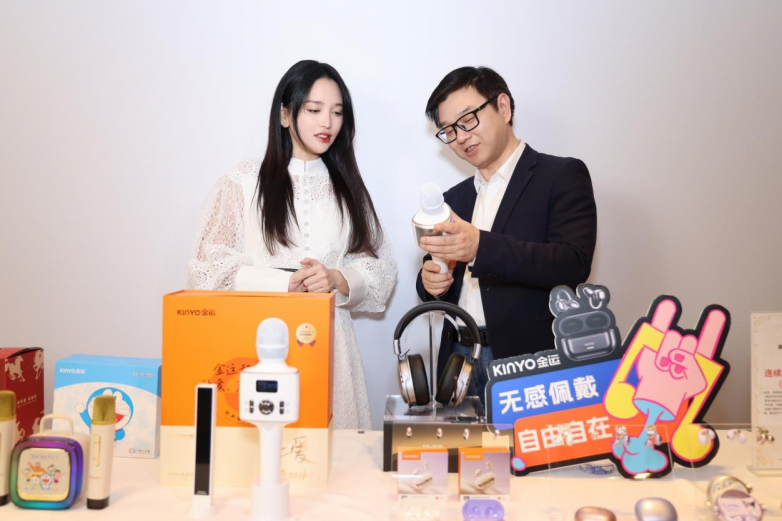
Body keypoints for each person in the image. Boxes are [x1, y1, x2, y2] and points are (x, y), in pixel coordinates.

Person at [189, 60, 397, 430]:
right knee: (265, 448)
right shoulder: (244, 181)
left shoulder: (347, 188)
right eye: (314, 110)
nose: (327, 123)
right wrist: (282, 283)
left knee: (332, 454)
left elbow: (380, 269)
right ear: (285, 115)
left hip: (331, 345)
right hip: (257, 339)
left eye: (337, 112)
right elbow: (207, 266)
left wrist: (337, 278)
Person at [416, 66, 597, 403]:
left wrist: (480, 247)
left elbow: (572, 262)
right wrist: (430, 282)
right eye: (449, 130)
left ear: (503, 107)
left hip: (527, 360)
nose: (460, 137)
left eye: (467, 119)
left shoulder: (561, 175)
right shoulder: (454, 198)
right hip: (458, 359)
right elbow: (440, 277)